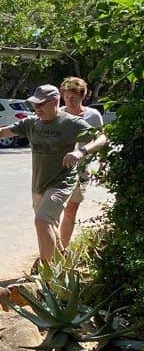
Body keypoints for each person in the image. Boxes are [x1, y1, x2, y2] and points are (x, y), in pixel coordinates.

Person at [0, 84, 106, 266]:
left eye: (42, 104)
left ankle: (46, 271)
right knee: (48, 225)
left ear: (55, 102)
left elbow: (101, 138)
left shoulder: (70, 123)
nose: (37, 108)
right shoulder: (32, 122)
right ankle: (61, 257)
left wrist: (80, 151)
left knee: (42, 221)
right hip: (39, 183)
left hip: (61, 182)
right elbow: (3, 131)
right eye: (35, 104)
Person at [57, 76, 104, 250]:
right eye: (67, 97)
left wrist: (102, 164)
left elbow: (100, 139)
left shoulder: (93, 116)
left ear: (82, 96)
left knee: (70, 210)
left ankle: (63, 248)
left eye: (74, 97)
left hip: (80, 169)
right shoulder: (58, 114)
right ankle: (51, 251)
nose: (70, 101)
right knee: (52, 212)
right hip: (57, 169)